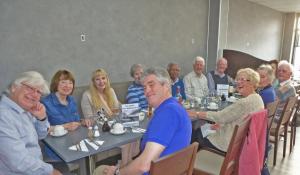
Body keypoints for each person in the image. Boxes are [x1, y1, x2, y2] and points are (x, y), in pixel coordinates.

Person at [101, 67, 192, 175]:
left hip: (157, 171)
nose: (146, 91)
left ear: (166, 86)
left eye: (151, 85)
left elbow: (144, 166)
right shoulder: (174, 107)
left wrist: (117, 172)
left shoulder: (168, 112)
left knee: (100, 170)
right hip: (172, 169)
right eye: (144, 87)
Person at [0, 71, 62, 175]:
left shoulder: (24, 110)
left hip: (35, 166)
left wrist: (41, 118)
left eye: (38, 92)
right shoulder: (3, 116)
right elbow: (18, 162)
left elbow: (41, 135)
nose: (34, 94)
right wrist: (50, 171)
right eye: (30, 88)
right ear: (14, 87)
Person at [188, 68, 264, 152]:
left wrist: (196, 113)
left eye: (242, 79)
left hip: (226, 144)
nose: (238, 82)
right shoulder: (258, 98)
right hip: (240, 142)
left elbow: (220, 116)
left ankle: (188, 162)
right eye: (237, 79)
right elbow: (236, 118)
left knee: (196, 133)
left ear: (252, 82)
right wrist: (222, 124)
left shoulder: (244, 102)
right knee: (206, 128)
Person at [41, 70, 81, 160]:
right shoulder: (45, 103)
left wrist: (83, 121)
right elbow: (42, 130)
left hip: (75, 142)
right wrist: (65, 126)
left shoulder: (72, 100)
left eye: (70, 83)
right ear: (56, 84)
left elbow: (77, 122)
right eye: (63, 82)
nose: (67, 86)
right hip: (57, 149)